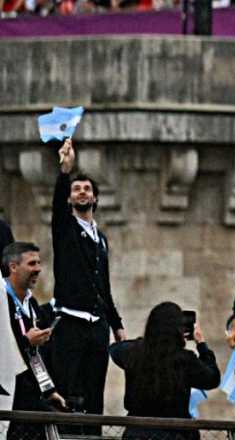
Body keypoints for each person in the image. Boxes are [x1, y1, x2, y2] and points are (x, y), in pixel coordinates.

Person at [49, 139, 126, 425]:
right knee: (69, 392)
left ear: (95, 198)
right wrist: (64, 172)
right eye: (76, 189)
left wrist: (116, 323)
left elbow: (102, 284)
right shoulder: (66, 230)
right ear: (70, 199)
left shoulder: (100, 238)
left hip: (97, 326)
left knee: (94, 394)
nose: (82, 192)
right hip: (71, 322)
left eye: (87, 189)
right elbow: (57, 208)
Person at [109, 302, 220, 440]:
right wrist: (202, 345)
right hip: (175, 433)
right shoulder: (185, 359)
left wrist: (143, 342)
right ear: (178, 330)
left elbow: (115, 349)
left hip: (137, 433)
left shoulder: (134, 352)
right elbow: (213, 378)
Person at [4, 242, 64, 440]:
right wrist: (25, 341)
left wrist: (49, 390)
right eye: (31, 263)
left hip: (29, 399)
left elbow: (34, 357)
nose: (38, 268)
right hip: (7, 399)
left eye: (39, 263)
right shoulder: (2, 300)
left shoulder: (32, 303)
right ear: (13, 267)